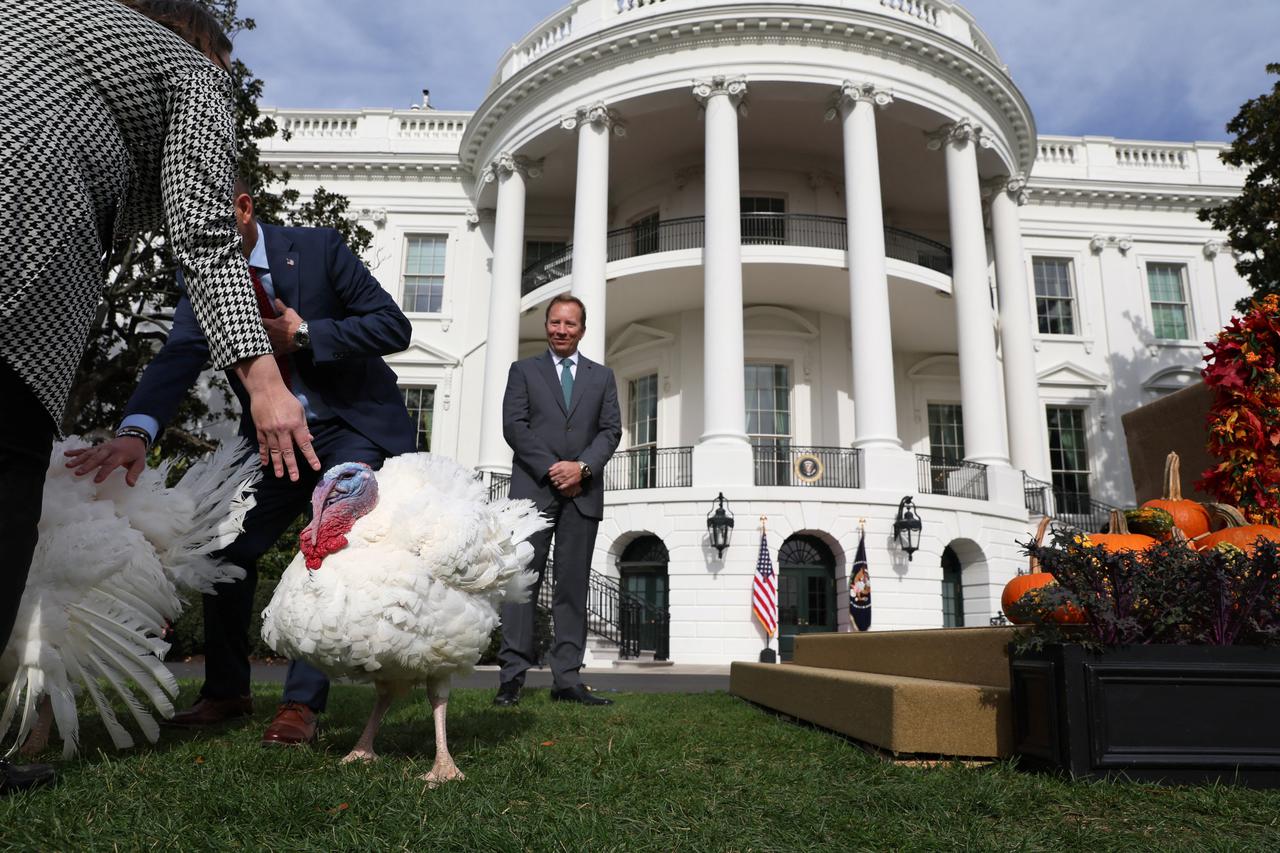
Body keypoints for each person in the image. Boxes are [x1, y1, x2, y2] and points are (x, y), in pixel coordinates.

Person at [0, 0, 317, 795]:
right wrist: (268, 380)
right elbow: (202, 236)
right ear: (207, 50)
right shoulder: (192, 75)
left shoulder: (40, 21)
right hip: (27, 227)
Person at [66, 180, 417, 746]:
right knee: (224, 549)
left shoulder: (320, 248)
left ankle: (301, 705)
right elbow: (178, 355)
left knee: (326, 542)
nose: (195, 245)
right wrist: (136, 430)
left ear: (243, 209)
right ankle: (227, 691)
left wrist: (303, 334)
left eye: (206, 227)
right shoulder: (205, 277)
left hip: (351, 427)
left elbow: (392, 327)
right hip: (273, 439)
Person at [495, 295, 621, 707]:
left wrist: (581, 468)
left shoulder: (602, 377)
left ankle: (567, 678)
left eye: (569, 324)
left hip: (582, 495)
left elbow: (610, 431)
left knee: (572, 588)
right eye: (554, 322)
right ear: (546, 325)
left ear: (582, 329)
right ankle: (512, 676)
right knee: (521, 585)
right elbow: (514, 427)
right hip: (534, 492)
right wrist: (555, 469)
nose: (560, 330)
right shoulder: (523, 371)